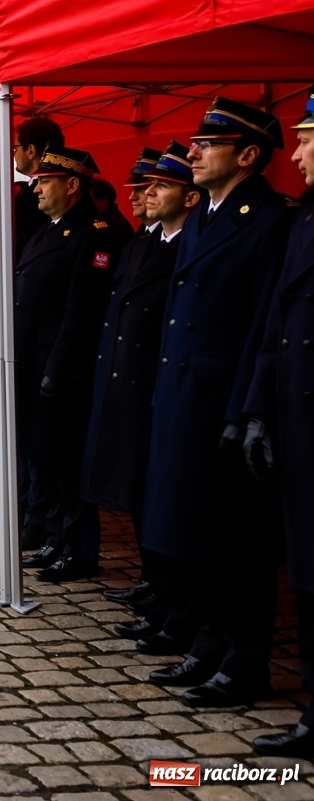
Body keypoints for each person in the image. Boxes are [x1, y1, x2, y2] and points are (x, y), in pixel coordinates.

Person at [144, 97, 292, 710]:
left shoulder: (269, 220)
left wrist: (247, 409)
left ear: (248, 155)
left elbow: (268, 323)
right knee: (184, 529)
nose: (195, 152)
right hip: (181, 391)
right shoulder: (205, 215)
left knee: (233, 538)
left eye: (209, 144)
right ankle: (209, 640)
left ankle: (245, 658)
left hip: (223, 398)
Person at [83, 145, 198, 634]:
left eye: (155, 187)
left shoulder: (186, 243)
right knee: (138, 489)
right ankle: (157, 585)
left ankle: (172, 598)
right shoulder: (142, 243)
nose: (143, 196)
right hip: (126, 378)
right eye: (139, 188)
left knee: (162, 499)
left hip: (156, 380)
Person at [13, 146, 119, 583]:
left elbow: (80, 311)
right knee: (44, 458)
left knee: (65, 461)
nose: (36, 188)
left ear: (71, 185)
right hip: (34, 360)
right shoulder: (48, 230)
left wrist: (57, 367)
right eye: (36, 180)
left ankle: (79, 548)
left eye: (45, 181)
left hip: (61, 367)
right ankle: (57, 537)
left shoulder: (91, 233)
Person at [244, 94, 314, 756]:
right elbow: (275, 326)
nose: (294, 154)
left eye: (306, 139)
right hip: (296, 416)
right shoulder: (302, 221)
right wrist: (260, 406)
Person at [12, 116, 64, 253]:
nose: (14, 155)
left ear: (30, 150)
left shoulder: (48, 195)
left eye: (15, 148)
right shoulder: (28, 189)